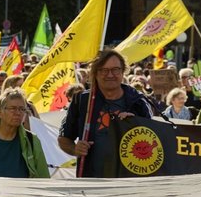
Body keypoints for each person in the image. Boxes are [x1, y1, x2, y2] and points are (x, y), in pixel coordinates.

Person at [59, 50, 154, 178]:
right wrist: (75, 149)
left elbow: (153, 142)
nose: (110, 75)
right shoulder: (82, 101)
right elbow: (64, 138)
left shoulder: (138, 101)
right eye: (104, 70)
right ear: (95, 73)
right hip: (91, 182)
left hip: (130, 182)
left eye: (115, 69)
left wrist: (135, 123)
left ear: (122, 71)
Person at [0, 89, 49, 178]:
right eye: (12, 108)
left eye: (22, 109)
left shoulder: (32, 141)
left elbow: (44, 178)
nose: (18, 113)